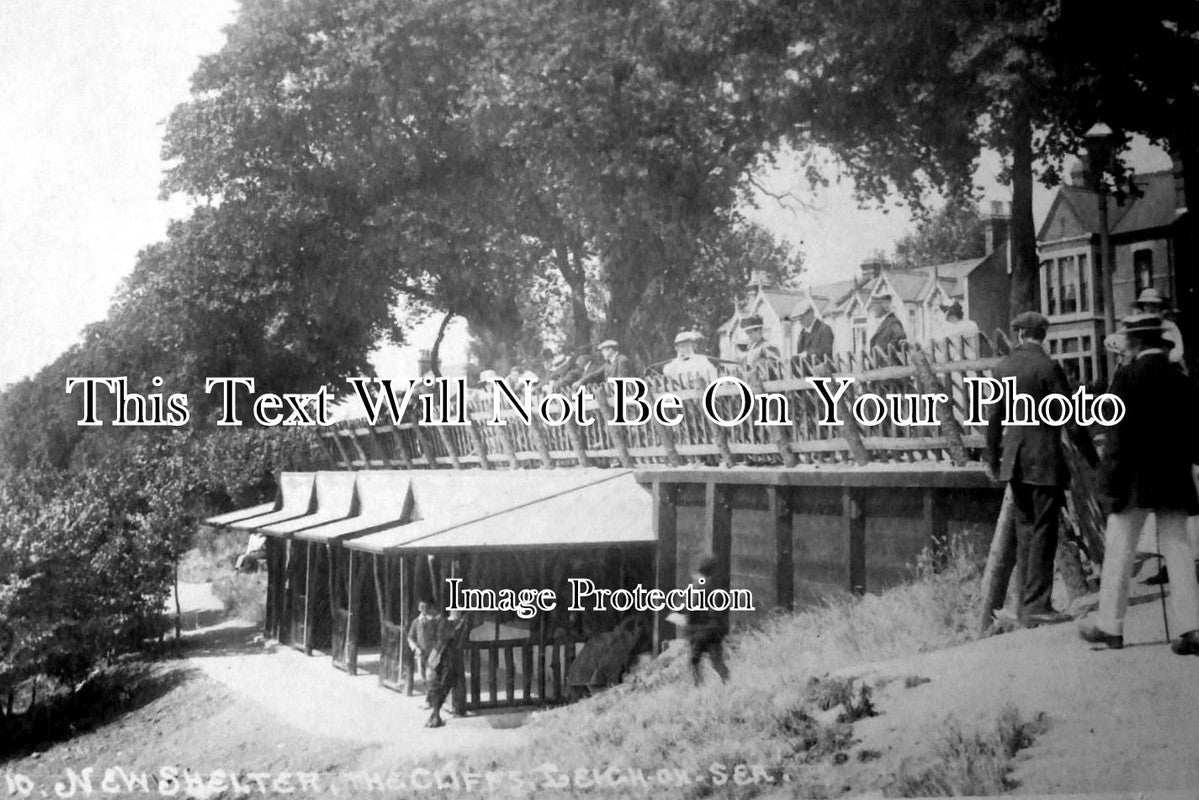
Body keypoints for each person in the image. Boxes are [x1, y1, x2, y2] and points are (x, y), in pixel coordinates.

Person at [1079, 314, 1199, 654]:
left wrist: (1108, 480)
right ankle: (1191, 628)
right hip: (1173, 478)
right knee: (1178, 548)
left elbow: (1116, 437)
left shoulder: (1126, 377)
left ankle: (1110, 627)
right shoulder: (1181, 380)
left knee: (1120, 548)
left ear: (1135, 342)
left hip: (1133, 479)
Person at [985, 311, 1099, 626]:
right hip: (1044, 459)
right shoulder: (1048, 367)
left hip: (1014, 460)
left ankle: (1025, 606)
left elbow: (993, 417)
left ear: (1020, 334)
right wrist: (1093, 459)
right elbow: (1070, 420)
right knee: (1044, 532)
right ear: (1042, 335)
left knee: (1025, 530)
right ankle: (1037, 605)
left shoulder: (1002, 368)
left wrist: (991, 460)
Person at [1103, 288, 1185, 368]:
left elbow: (1179, 348)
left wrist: (1168, 357)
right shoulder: (1136, 323)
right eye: (1147, 305)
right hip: (1139, 365)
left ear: (1160, 307)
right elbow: (1112, 341)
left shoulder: (1169, 326)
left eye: (1154, 305)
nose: (1150, 308)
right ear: (1142, 307)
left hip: (1164, 365)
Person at [687, 555, 730, 686]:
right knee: (716, 662)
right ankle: (728, 683)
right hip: (711, 628)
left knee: (695, 661)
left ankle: (698, 686)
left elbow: (693, 605)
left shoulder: (700, 584)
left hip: (703, 630)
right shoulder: (709, 584)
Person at [426, 609, 471, 728]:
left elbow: (462, 640)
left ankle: (456, 710)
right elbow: (442, 638)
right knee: (442, 684)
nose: (457, 612)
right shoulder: (445, 622)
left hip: (455, 659)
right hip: (444, 659)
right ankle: (435, 714)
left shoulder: (462, 623)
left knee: (455, 684)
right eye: (455, 610)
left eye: (459, 611)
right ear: (451, 611)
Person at [406, 601, 443, 686]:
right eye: (422, 607)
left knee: (432, 673)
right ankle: (425, 686)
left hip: (432, 651)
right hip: (420, 651)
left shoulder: (434, 622)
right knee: (422, 674)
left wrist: (436, 648)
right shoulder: (416, 622)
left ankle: (432, 687)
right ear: (419, 609)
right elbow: (410, 637)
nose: (424, 609)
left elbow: (439, 636)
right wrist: (415, 648)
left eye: (426, 607)